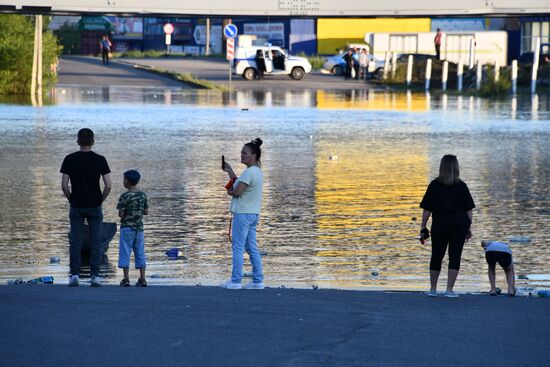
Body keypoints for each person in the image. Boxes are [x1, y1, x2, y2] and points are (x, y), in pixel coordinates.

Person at [61, 128, 111, 287]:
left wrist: (71, 199)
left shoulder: (69, 159)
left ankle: (74, 275)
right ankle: (94, 276)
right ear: (93, 141)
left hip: (76, 205)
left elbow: (64, 185)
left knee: (75, 241)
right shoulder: (100, 159)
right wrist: (100, 201)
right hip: (94, 205)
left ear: (77, 141)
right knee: (96, 242)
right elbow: (108, 185)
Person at [419, 154, 475, 297]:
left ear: (441, 167)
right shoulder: (462, 186)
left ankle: (433, 289)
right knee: (455, 256)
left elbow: (427, 209)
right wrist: (468, 227)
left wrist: (423, 226)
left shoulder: (434, 185)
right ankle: (449, 290)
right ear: (456, 168)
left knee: (436, 255)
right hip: (459, 225)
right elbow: (469, 210)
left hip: (440, 224)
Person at [221, 138, 265, 290]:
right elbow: (240, 184)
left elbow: (237, 192)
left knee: (238, 247)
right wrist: (230, 172)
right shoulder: (257, 172)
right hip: (253, 213)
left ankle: (235, 281)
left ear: (254, 155)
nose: (242, 155)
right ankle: (258, 280)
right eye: (241, 153)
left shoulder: (248, 172)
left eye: (244, 153)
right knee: (252, 247)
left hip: (243, 214)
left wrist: (230, 192)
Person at [117, 170, 149, 287]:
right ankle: (143, 279)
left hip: (126, 227)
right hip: (139, 228)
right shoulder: (142, 195)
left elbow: (121, 214)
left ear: (128, 182)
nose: (123, 181)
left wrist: (127, 213)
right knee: (140, 252)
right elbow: (146, 211)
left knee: (125, 251)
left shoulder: (124, 196)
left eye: (124, 179)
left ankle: (126, 279)